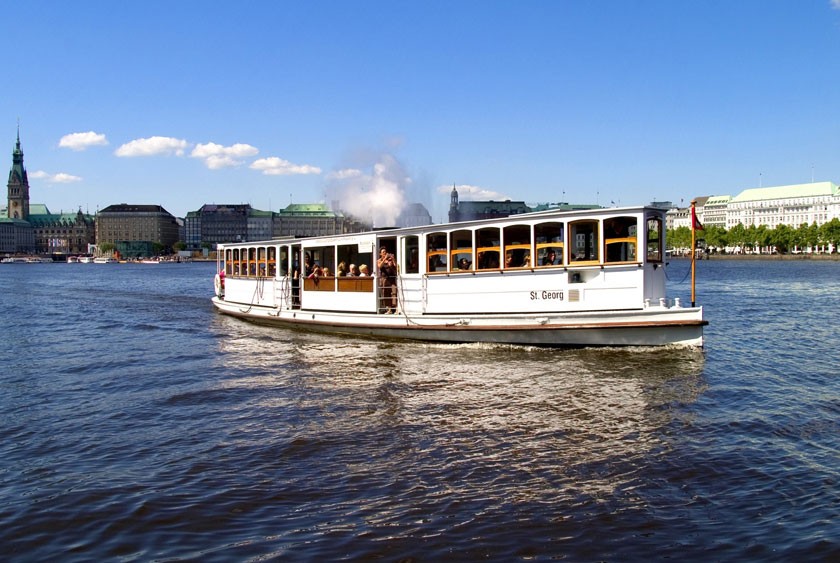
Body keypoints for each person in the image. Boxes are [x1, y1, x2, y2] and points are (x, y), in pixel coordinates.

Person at [377, 246, 398, 313]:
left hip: (392, 279)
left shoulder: (390, 260)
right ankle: (389, 309)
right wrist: (384, 259)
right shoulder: (379, 260)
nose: (385, 253)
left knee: (394, 292)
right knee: (386, 294)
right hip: (384, 279)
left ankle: (395, 308)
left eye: (385, 251)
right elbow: (380, 266)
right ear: (380, 254)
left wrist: (393, 259)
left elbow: (396, 266)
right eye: (383, 252)